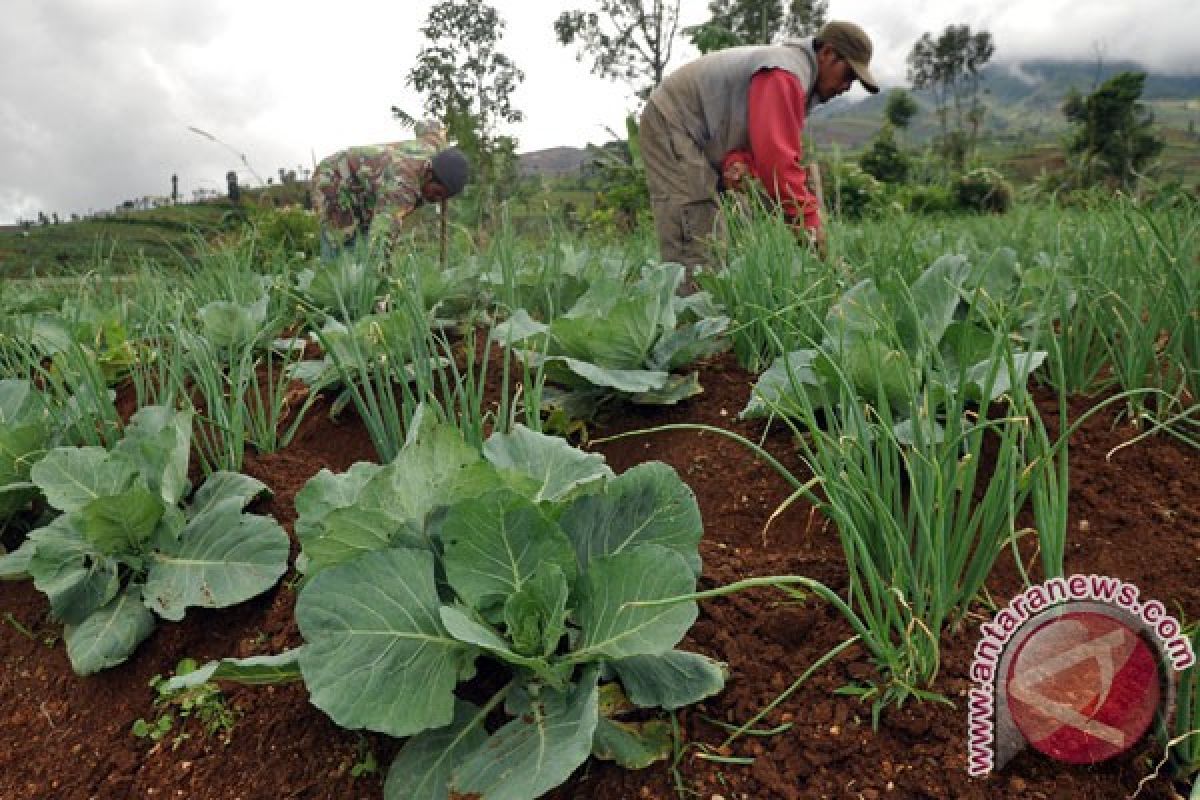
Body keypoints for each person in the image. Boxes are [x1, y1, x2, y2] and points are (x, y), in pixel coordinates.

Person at [640, 20, 880, 274]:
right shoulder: (784, 73)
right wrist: (809, 222)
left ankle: (703, 303)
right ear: (828, 54)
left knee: (720, 232)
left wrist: (738, 162)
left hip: (702, 134)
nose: (846, 87)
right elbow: (778, 161)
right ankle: (687, 309)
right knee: (694, 230)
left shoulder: (796, 78)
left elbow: (758, 145)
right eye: (848, 76)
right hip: (674, 121)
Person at [311, 121, 469, 257]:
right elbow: (382, 233)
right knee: (343, 244)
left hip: (366, 189)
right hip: (335, 178)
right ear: (429, 174)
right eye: (437, 193)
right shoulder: (404, 186)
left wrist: (441, 133)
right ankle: (333, 286)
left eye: (443, 198)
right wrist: (382, 277)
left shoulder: (436, 149)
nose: (435, 199)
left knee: (363, 237)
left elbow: (427, 127)